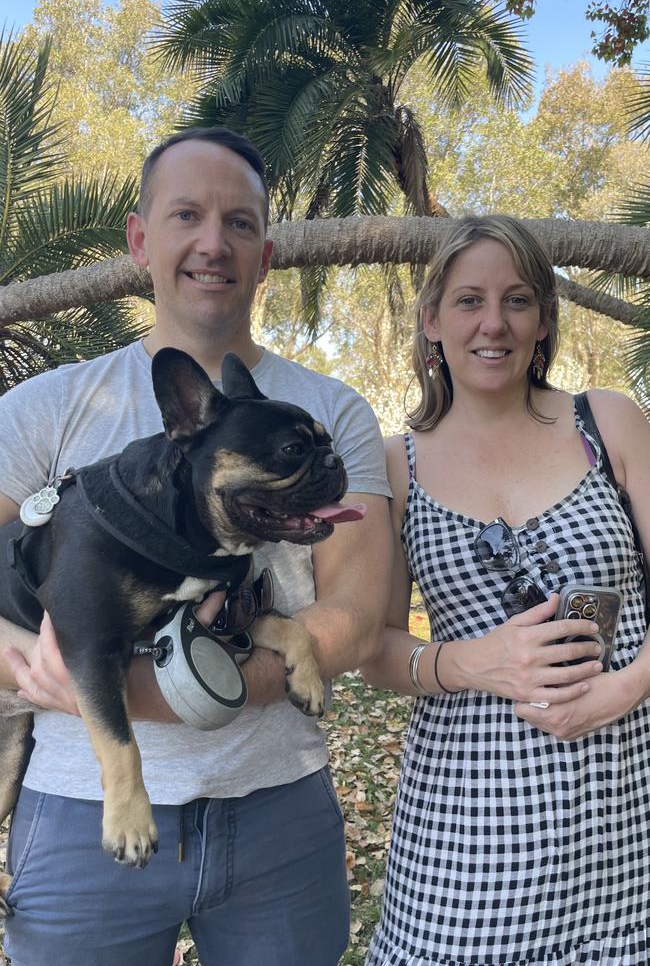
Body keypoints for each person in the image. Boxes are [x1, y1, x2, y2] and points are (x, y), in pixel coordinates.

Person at [0, 126, 392, 966]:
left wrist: (135, 686)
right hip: (83, 809)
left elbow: (354, 622)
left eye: (240, 223)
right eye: (188, 215)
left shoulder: (334, 412)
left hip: (278, 811)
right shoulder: (43, 407)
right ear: (141, 238)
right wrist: (22, 654)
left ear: (267, 253)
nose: (213, 242)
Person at [361, 214, 650, 965]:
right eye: (468, 301)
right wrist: (472, 661)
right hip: (467, 850)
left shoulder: (607, 423)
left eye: (519, 300)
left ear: (545, 320)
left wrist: (620, 691)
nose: (495, 323)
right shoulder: (397, 467)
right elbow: (376, 651)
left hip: (624, 833)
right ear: (431, 320)